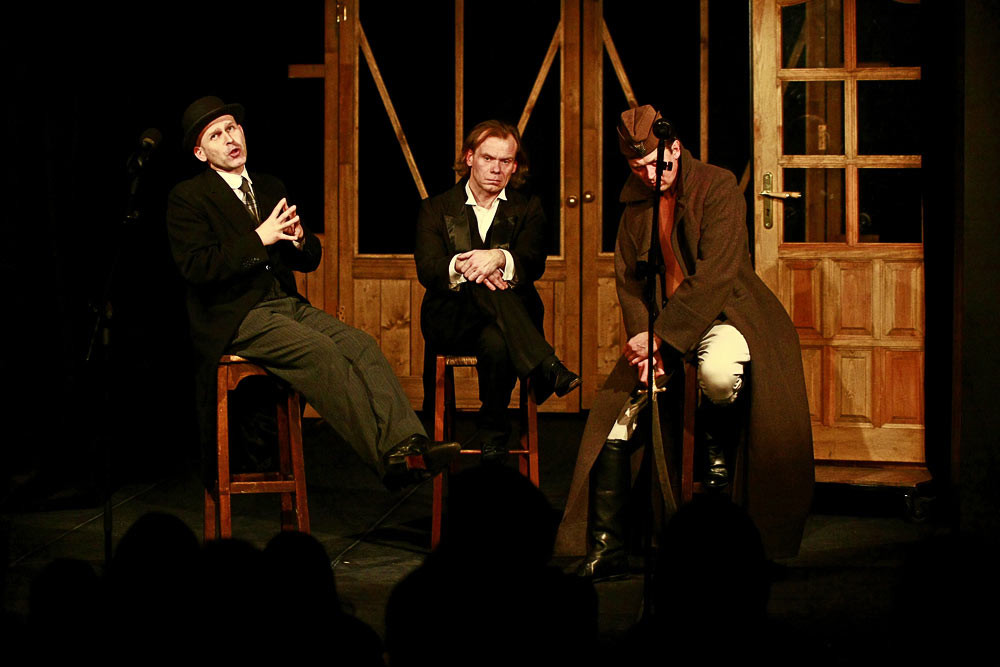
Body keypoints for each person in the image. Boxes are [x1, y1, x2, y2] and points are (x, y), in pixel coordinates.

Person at [556, 105, 814, 578]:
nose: (649, 174)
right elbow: (629, 282)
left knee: (717, 374)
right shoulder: (635, 204)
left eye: (656, 163)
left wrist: (663, 340)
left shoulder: (716, 187)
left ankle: (716, 481)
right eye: (638, 167)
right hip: (663, 327)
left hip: (726, 315)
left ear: (675, 148)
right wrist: (644, 339)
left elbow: (715, 276)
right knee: (614, 417)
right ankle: (608, 549)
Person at [167, 96, 459, 491]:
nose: (230, 139)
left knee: (361, 345)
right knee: (321, 352)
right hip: (236, 315)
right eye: (216, 135)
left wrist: (301, 240)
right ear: (201, 153)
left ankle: (409, 444)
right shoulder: (189, 197)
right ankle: (388, 461)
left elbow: (307, 260)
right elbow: (198, 267)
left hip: (284, 304)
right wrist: (259, 238)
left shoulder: (269, 187)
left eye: (232, 128)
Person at [415, 120, 580, 462]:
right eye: (488, 158)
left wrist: (499, 258)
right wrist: (467, 264)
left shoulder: (528, 208)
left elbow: (533, 263)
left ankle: (493, 432)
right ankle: (546, 364)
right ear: (470, 158)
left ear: (515, 166)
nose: (496, 168)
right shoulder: (436, 208)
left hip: (505, 327)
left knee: (495, 339)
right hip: (451, 319)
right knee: (480, 280)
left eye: (505, 161)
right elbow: (428, 269)